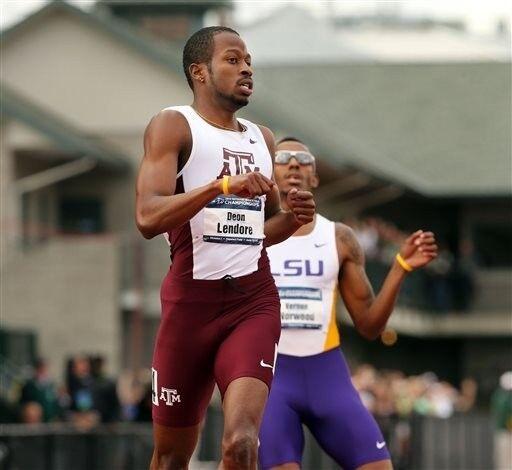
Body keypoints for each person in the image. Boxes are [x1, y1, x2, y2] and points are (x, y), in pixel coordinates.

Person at [135, 27, 315, 470]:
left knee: (241, 442)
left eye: (248, 60)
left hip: (251, 303)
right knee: (172, 455)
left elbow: (260, 232)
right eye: (233, 60)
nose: (247, 68)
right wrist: (221, 187)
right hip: (189, 306)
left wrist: (293, 217)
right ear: (199, 72)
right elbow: (147, 217)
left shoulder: (262, 138)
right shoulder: (174, 125)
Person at [258, 137, 438, 470]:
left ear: (315, 178)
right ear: (270, 172)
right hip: (272, 376)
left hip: (327, 374)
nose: (295, 164)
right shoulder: (254, 235)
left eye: (304, 159)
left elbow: (370, 326)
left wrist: (399, 268)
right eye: (283, 157)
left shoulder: (339, 238)